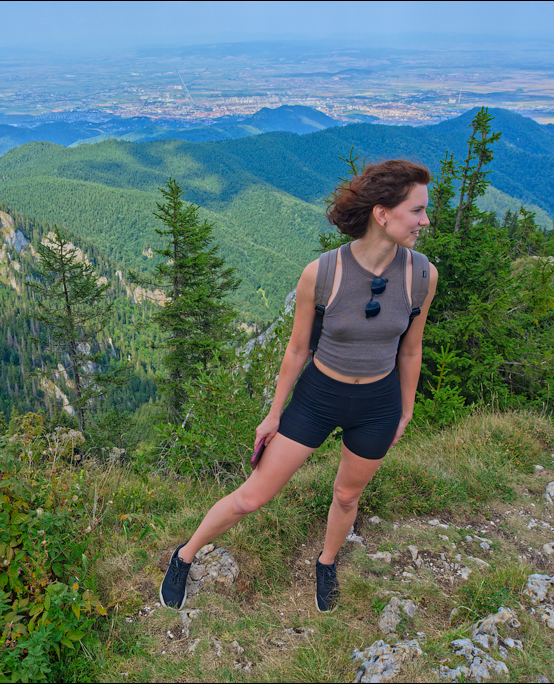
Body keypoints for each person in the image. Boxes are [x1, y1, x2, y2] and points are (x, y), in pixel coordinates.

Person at [160, 160, 439, 613]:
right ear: (382, 214)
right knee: (252, 496)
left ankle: (327, 562)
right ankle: (184, 555)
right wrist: (273, 414)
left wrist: (405, 409)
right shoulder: (322, 273)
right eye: (417, 210)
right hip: (318, 397)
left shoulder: (422, 276)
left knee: (348, 495)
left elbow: (411, 350)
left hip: (378, 402)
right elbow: (296, 351)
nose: (426, 221)